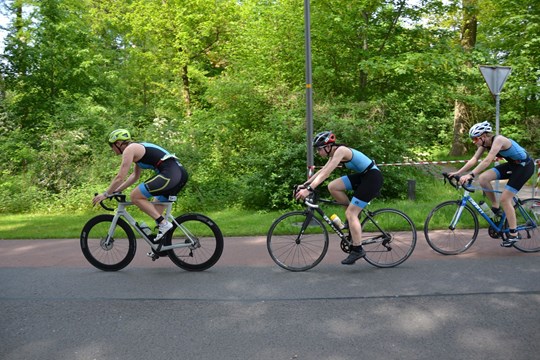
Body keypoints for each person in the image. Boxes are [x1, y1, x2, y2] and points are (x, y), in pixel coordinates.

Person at [295, 131, 383, 265]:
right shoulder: (334, 153)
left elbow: (326, 173)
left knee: (351, 213)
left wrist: (309, 190)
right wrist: (306, 184)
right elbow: (321, 171)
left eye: (319, 149)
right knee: (333, 186)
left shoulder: (341, 151)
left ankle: (358, 249)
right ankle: (353, 218)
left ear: (328, 146)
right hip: (363, 176)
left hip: (372, 178)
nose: (318, 152)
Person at [92, 129, 188, 242]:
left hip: (171, 175)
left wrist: (106, 194)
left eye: (111, 145)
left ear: (118, 143)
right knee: (155, 211)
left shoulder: (129, 149)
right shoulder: (136, 149)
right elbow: (135, 176)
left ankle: (164, 224)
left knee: (135, 196)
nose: (112, 149)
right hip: (178, 174)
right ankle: (162, 246)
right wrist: (116, 190)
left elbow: (120, 177)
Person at [449, 121, 534, 247]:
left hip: (524, 167)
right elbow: (474, 160)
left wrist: (471, 175)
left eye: (475, 139)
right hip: (513, 165)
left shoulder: (499, 140)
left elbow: (488, 160)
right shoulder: (484, 144)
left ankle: (514, 234)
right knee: (483, 178)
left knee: (506, 199)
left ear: (483, 136)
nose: (474, 142)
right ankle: (496, 207)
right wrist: (459, 172)